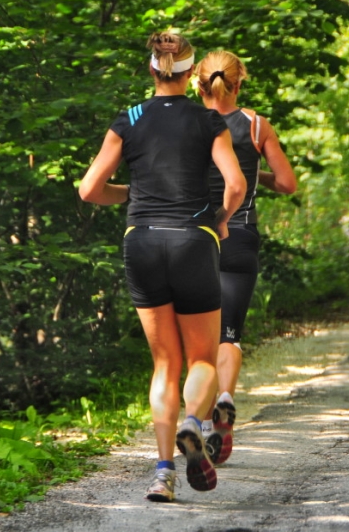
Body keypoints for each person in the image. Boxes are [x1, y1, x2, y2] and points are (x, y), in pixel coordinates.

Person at [78, 32, 246, 503]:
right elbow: (235, 184)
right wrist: (220, 220)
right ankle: (193, 422)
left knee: (164, 363)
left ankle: (163, 474)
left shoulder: (129, 119)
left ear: (152, 69)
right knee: (202, 359)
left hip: (142, 243)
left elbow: (89, 189)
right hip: (193, 240)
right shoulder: (208, 120)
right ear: (191, 74)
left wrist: (131, 194)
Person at [193, 50, 297, 465]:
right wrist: (254, 177)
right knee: (229, 334)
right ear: (239, 84)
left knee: (198, 340)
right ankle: (225, 399)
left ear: (198, 84)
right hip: (240, 236)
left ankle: (202, 421)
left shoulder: (188, 123)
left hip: (195, 236)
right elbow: (287, 183)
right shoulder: (256, 125)